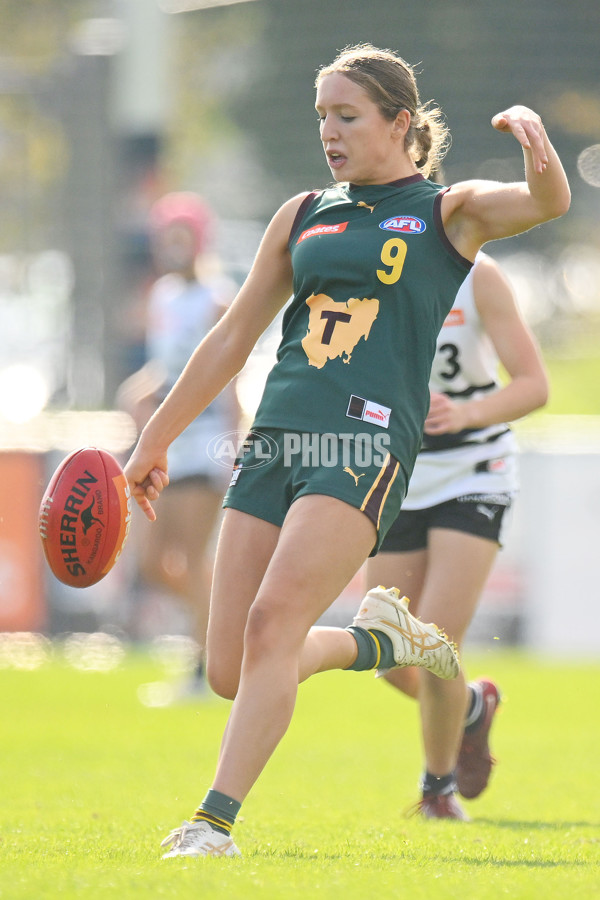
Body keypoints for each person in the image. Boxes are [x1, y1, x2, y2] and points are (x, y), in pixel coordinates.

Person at [124, 43, 570, 858]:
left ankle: (213, 822)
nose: (329, 131)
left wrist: (538, 146)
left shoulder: (447, 212)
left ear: (400, 123)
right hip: (277, 439)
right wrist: (156, 435)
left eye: (347, 116)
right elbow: (231, 336)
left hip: (362, 444)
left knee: (272, 625)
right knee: (232, 668)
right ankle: (383, 642)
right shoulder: (301, 213)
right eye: (322, 116)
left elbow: (545, 200)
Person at [366, 251, 549, 820]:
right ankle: (471, 707)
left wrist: (465, 413)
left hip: (475, 468)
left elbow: (534, 386)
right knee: (391, 656)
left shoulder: (480, 276)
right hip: (399, 472)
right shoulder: (361, 267)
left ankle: (437, 791)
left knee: (435, 643)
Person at [117, 192, 238, 697]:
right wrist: (139, 389)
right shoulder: (162, 296)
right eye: (168, 238)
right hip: (166, 440)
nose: (174, 248)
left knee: (189, 560)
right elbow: (168, 369)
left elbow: (226, 375)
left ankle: (205, 667)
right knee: (150, 563)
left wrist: (234, 444)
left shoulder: (217, 297)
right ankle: (223, 633)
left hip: (204, 440)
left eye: (182, 238)